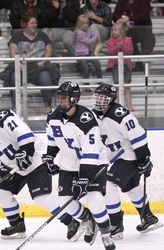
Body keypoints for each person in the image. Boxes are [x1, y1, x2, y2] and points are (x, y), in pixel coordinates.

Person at [0, 94, 85, 242]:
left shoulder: (3, 117)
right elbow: (3, 159)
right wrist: (2, 169)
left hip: (36, 160)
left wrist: (25, 152)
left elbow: (24, 134)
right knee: (2, 192)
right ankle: (17, 225)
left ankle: (71, 222)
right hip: (19, 168)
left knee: (42, 197)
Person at [44, 81, 115, 250]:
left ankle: (106, 234)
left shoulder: (86, 119)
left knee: (94, 198)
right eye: (59, 98)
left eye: (64, 99)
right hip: (69, 164)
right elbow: (53, 141)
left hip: (94, 163)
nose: (60, 102)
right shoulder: (53, 117)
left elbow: (91, 152)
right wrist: (49, 157)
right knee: (64, 201)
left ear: (75, 99)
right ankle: (86, 219)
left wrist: (84, 179)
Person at [91, 83, 163, 240]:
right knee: (132, 186)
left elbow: (138, 137)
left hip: (129, 156)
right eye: (97, 96)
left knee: (108, 184)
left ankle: (116, 225)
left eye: (103, 98)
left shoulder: (120, 115)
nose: (98, 100)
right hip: (116, 158)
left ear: (111, 100)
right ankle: (148, 218)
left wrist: (144, 159)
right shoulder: (95, 115)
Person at [7, 14, 58, 114]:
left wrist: (43, 61)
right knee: (14, 78)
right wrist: (19, 64)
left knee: (46, 77)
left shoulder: (43, 36)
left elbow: (49, 50)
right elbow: (12, 52)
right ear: (25, 25)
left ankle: (48, 105)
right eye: (32, 23)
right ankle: (15, 105)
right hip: (22, 66)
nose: (35, 25)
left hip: (39, 66)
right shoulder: (17, 36)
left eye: (36, 23)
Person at [112, 0, 156, 72]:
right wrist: (125, 22)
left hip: (142, 29)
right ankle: (118, 64)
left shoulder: (143, 2)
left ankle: (142, 63)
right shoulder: (122, 2)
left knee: (134, 37)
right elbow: (115, 15)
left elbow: (144, 15)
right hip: (127, 29)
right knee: (126, 37)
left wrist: (129, 19)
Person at [106, 23, 134, 111]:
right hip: (115, 66)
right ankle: (118, 106)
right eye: (113, 30)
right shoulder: (109, 41)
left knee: (127, 86)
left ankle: (129, 105)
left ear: (121, 31)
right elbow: (110, 52)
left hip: (126, 65)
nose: (113, 32)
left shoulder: (128, 40)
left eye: (115, 30)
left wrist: (123, 46)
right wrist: (116, 47)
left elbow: (130, 51)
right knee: (117, 86)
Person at [70, 15, 103, 89]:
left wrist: (94, 38)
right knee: (86, 67)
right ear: (79, 24)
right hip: (81, 53)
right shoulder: (79, 33)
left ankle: (100, 80)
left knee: (97, 63)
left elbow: (92, 35)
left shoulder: (88, 30)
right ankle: (87, 84)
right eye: (83, 23)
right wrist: (95, 37)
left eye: (87, 23)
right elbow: (88, 42)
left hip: (88, 52)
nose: (86, 25)